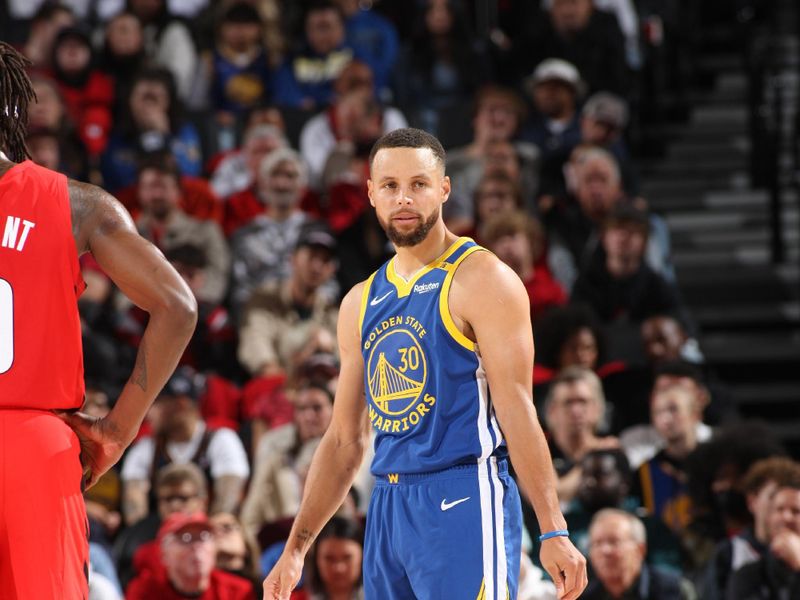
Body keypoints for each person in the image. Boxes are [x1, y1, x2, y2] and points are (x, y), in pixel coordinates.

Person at [262, 128, 587, 599]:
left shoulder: (483, 278)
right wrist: (296, 549)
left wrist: (553, 529)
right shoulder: (359, 301)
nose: (404, 198)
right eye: (390, 186)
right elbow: (344, 439)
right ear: (371, 194)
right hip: (387, 505)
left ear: (444, 189)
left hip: (464, 493)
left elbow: (518, 411)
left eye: (418, 183)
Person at [0, 43, 197, 599]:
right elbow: (177, 306)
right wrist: (116, 430)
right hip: (37, 447)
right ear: (13, 112)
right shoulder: (76, 204)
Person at [584, 509, 697, 599]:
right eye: (597, 543)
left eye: (614, 542)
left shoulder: (676, 591)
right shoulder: (582, 596)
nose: (605, 551)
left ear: (640, 549)